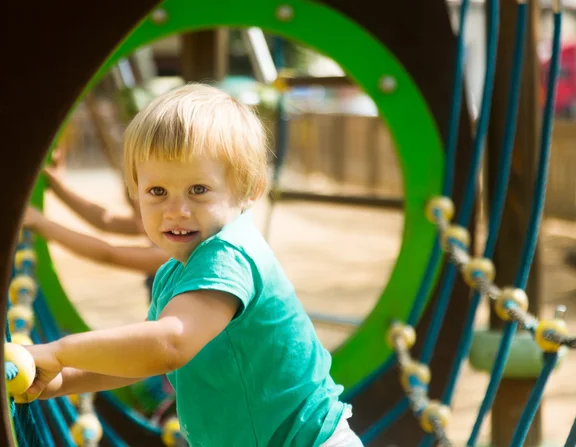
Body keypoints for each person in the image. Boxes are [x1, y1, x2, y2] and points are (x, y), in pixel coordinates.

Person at [19, 83, 363, 446]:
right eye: (157, 192)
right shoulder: (175, 270)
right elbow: (140, 359)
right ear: (135, 191)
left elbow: (168, 345)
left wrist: (58, 351)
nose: (175, 210)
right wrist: (60, 381)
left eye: (198, 189)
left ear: (249, 188)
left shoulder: (229, 256)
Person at [23, 162, 169, 300]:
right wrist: (59, 188)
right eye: (136, 212)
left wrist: (42, 224)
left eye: (144, 212)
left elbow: (108, 254)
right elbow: (105, 221)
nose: (139, 223)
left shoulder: (171, 255)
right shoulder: (155, 228)